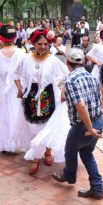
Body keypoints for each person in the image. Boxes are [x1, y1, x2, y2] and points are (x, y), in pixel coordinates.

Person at [14, 28, 70, 175]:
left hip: (49, 96)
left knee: (48, 125)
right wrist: (20, 89)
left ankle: (47, 152)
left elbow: (66, 76)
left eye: (46, 44)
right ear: (33, 43)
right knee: (33, 127)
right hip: (31, 96)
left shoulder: (53, 60)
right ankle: (35, 157)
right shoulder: (26, 59)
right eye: (40, 44)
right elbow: (15, 74)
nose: (43, 47)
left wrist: (63, 92)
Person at [51, 48, 103, 199]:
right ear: (84, 62)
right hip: (98, 120)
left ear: (68, 63)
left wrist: (90, 128)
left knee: (70, 151)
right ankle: (97, 187)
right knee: (87, 152)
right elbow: (98, 100)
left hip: (83, 126)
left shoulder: (71, 80)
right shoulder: (91, 77)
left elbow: (80, 106)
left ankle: (69, 176)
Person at [0, 25, 29, 153]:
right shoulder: (21, 52)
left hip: (1, 89)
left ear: (0, 38)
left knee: (3, 115)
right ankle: (15, 142)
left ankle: (6, 143)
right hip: (17, 88)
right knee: (16, 113)